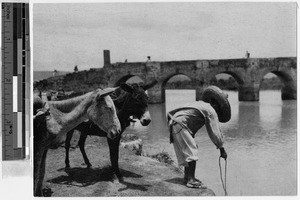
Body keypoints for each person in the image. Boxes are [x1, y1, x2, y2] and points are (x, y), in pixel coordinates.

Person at [167, 91, 229, 189]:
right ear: (215, 104)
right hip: (181, 124)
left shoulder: (200, 104)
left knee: (187, 151)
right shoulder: (210, 110)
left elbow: (189, 117)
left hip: (174, 123)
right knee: (191, 151)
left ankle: (187, 177)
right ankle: (191, 180)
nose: (218, 109)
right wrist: (221, 148)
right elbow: (214, 131)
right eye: (219, 106)